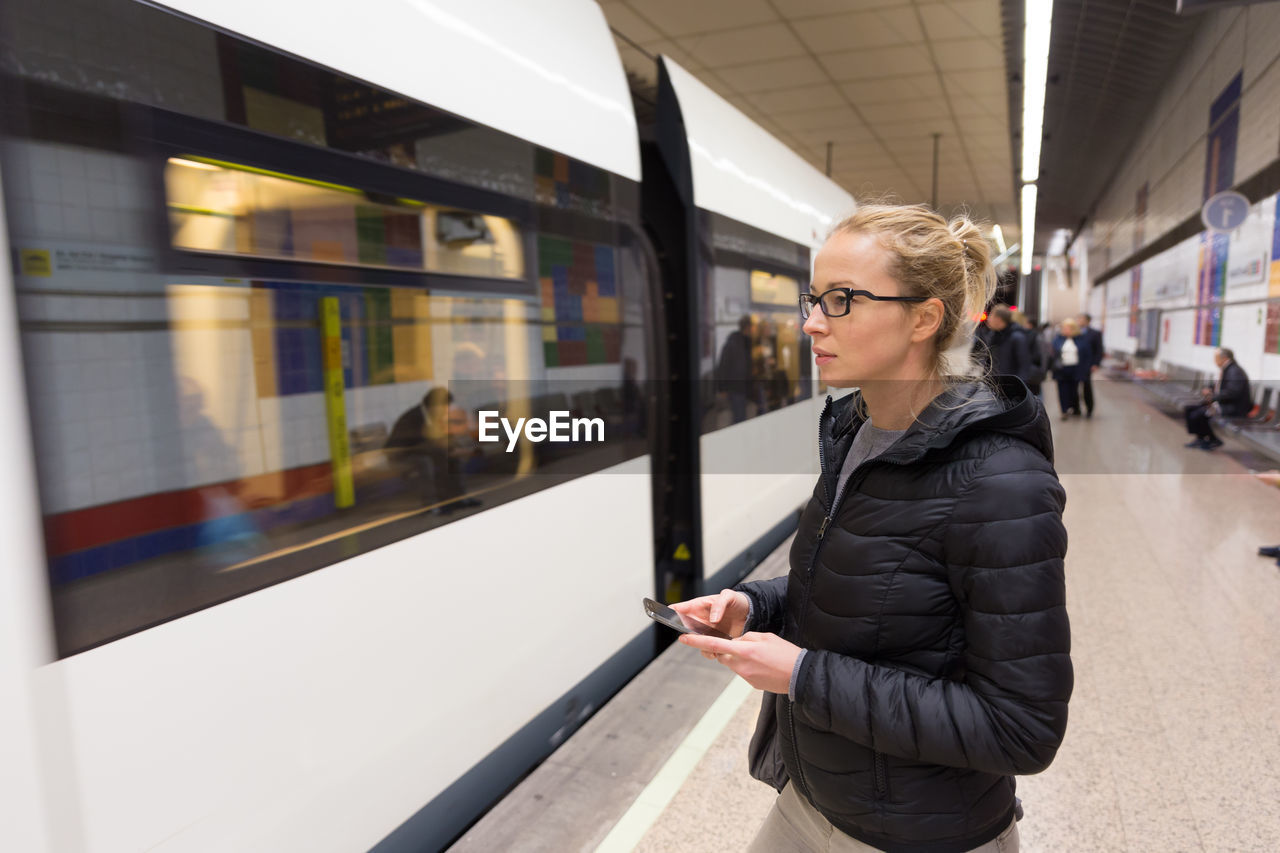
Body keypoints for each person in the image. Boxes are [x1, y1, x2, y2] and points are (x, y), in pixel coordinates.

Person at [672, 204, 1071, 853]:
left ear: (923, 318)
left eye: (842, 300)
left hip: (922, 830)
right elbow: (852, 579)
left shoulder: (1001, 484)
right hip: (812, 798)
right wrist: (753, 605)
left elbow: (1021, 727)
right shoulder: (856, 432)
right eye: (814, 299)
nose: (810, 322)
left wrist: (803, 675)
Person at [1183, 347, 1251, 450]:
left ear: (1224, 358)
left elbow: (1232, 392)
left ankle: (1213, 439)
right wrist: (1209, 390)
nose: (1214, 360)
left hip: (1233, 408)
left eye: (1216, 357)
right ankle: (1201, 438)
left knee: (1199, 414)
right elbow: (1219, 386)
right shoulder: (1227, 369)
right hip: (1224, 403)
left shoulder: (1234, 371)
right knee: (1190, 409)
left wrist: (1213, 397)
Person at [971, 303, 1030, 381]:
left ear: (998, 319)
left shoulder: (1017, 337)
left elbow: (1024, 367)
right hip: (994, 384)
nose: (988, 319)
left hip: (1009, 386)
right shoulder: (993, 335)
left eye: (991, 315)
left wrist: (1018, 388)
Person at [1052, 318, 1095, 420]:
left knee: (1073, 391)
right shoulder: (1058, 339)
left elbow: (1087, 355)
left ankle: (1074, 408)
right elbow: (1052, 354)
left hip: (1076, 369)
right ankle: (1064, 410)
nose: (1066, 330)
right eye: (1064, 328)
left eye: (1068, 328)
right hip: (1061, 369)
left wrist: (1087, 368)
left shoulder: (1081, 339)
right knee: (1062, 391)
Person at [716, 315, 755, 423]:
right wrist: (722, 388)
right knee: (739, 417)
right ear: (747, 327)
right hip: (736, 388)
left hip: (745, 387)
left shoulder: (746, 342)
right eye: (751, 326)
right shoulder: (733, 344)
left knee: (745, 415)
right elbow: (723, 366)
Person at [1075, 313, 1104, 417]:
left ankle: (1089, 409)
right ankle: (1076, 408)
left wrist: (1096, 363)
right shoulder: (1075, 332)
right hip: (1075, 364)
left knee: (1086, 387)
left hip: (1087, 365)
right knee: (1074, 387)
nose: (1079, 320)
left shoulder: (1095, 334)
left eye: (1081, 319)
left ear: (1087, 321)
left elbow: (1099, 350)